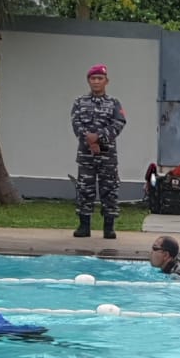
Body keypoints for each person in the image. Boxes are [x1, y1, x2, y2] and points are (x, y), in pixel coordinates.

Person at [70, 64, 127, 239]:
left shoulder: (114, 103)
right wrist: (90, 141)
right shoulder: (79, 102)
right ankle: (84, 226)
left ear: (106, 81)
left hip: (107, 155)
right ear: (88, 81)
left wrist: (99, 140)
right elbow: (76, 124)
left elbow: (119, 123)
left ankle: (109, 228)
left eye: (99, 78)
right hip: (86, 154)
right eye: (93, 78)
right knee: (84, 189)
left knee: (109, 190)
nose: (96, 81)